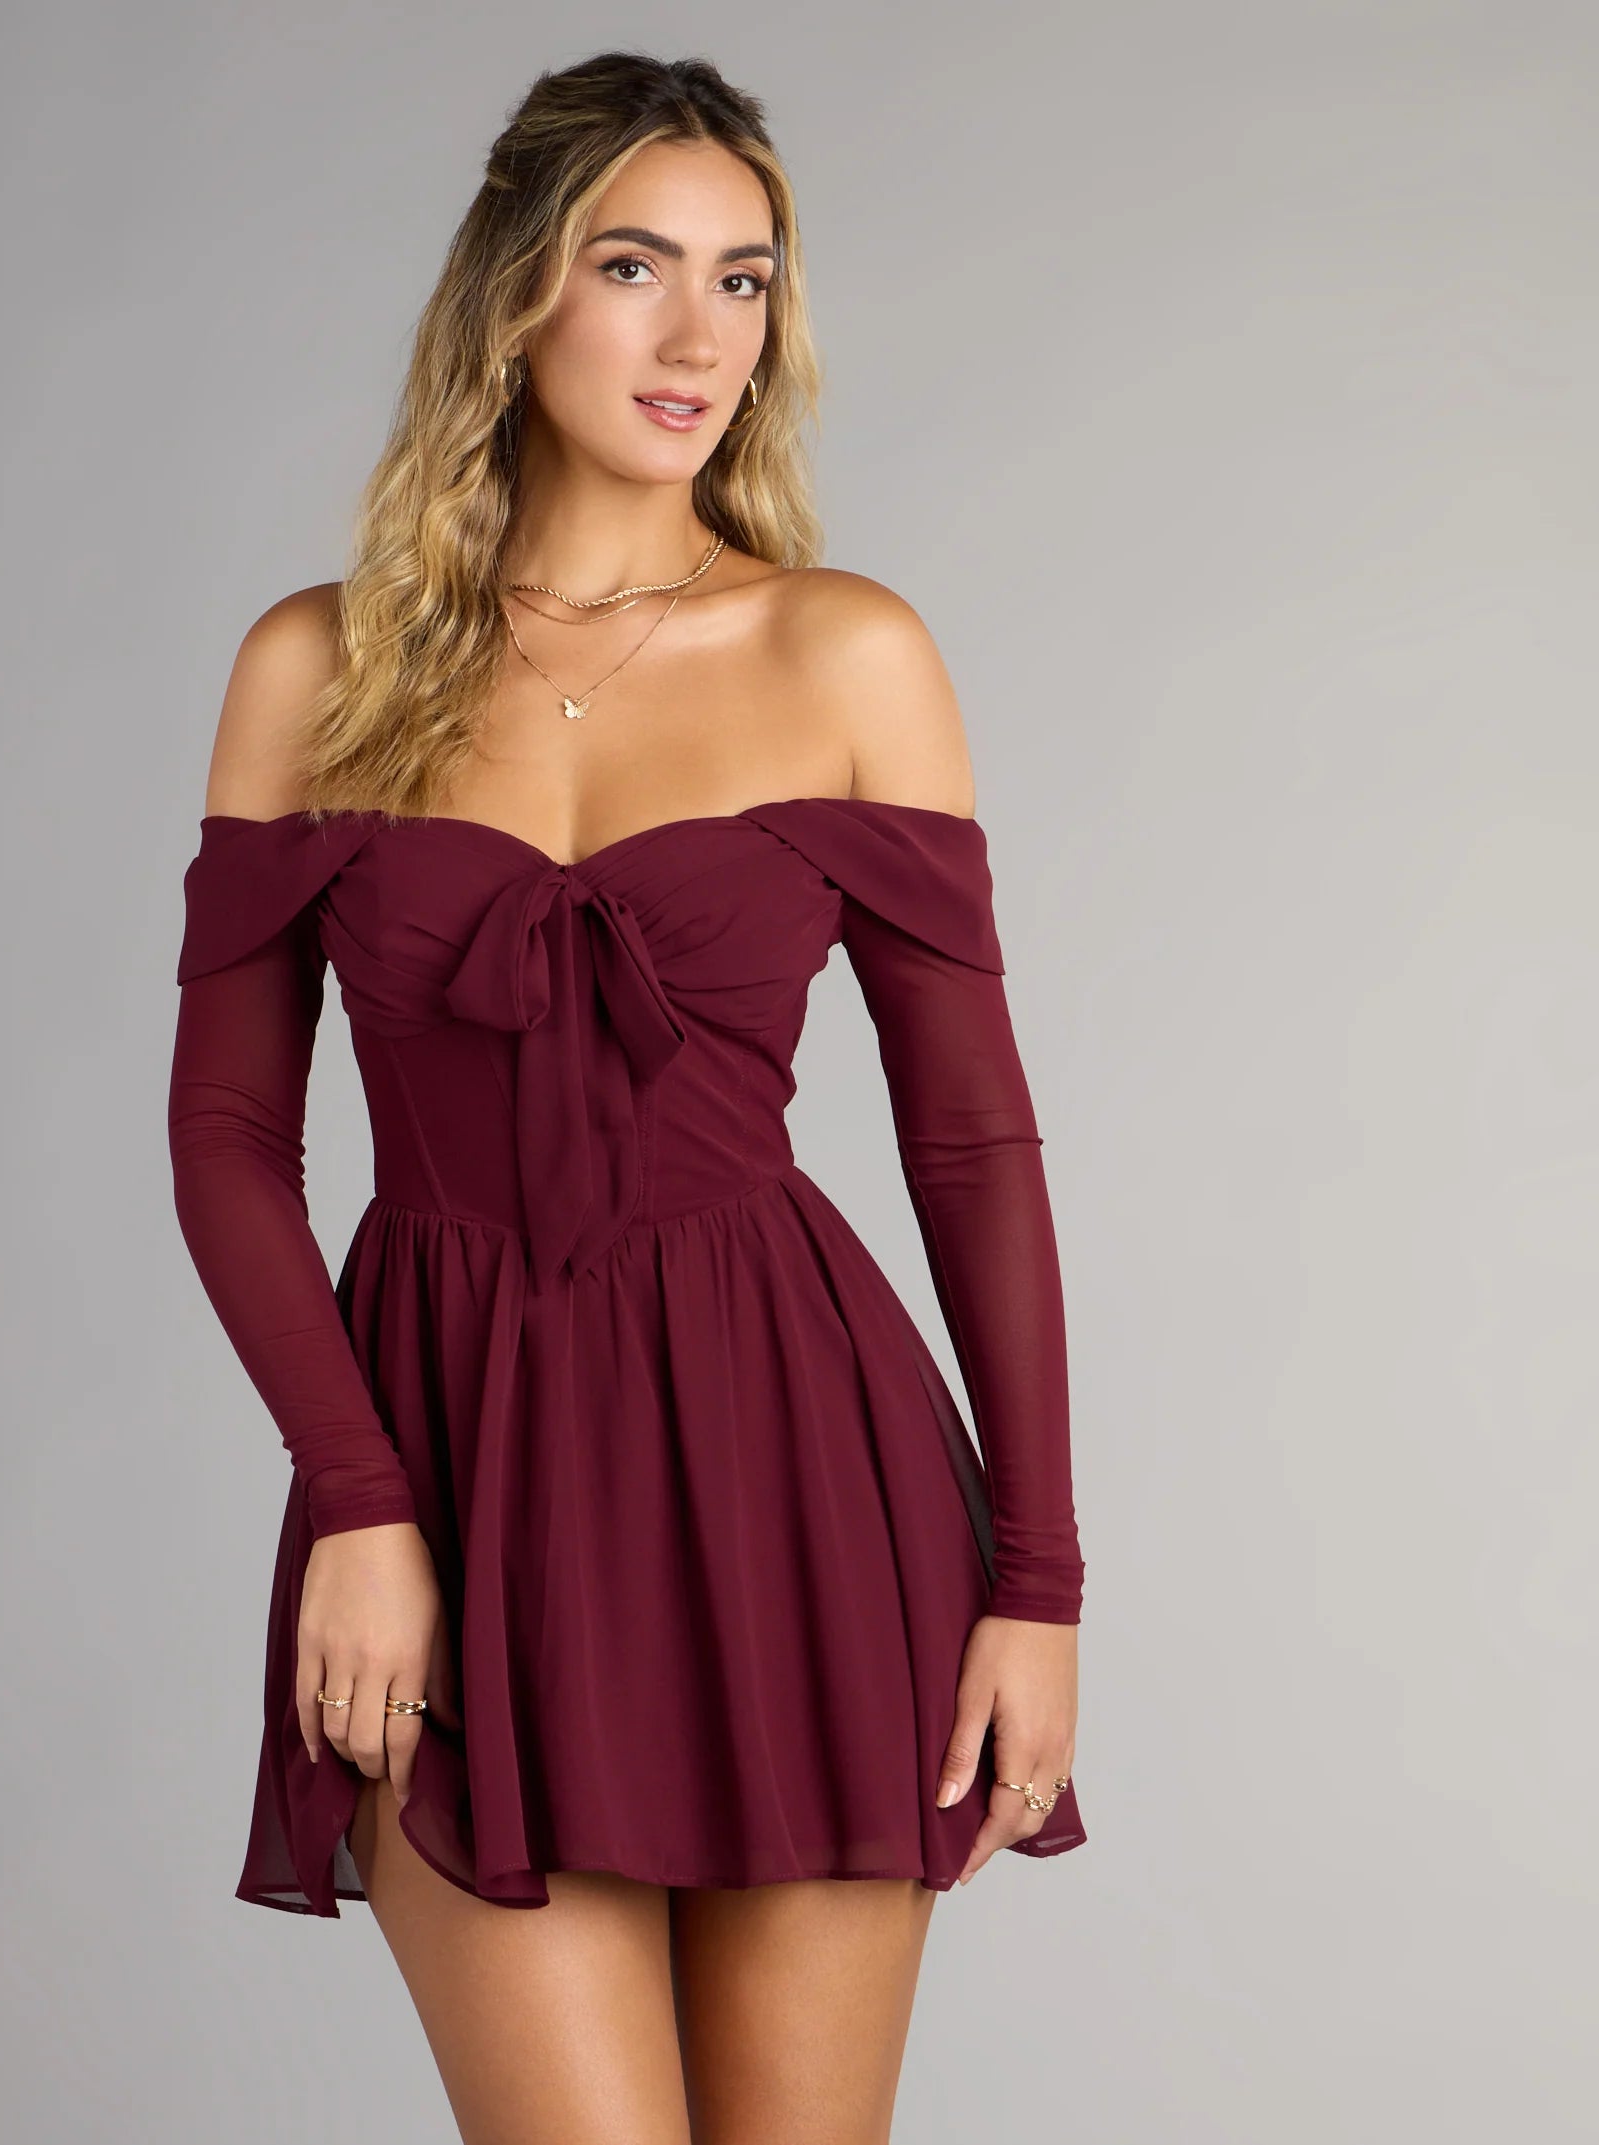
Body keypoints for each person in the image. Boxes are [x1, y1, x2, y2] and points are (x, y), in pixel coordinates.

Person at [168, 49, 1086, 2145]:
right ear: (515, 289)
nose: (700, 338)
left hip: (797, 1476)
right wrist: (355, 1494)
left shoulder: (845, 653)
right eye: (635, 266)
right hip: (449, 1469)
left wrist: (1037, 1580)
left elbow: (970, 1144)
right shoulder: (316, 667)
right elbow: (225, 1136)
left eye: (744, 280)